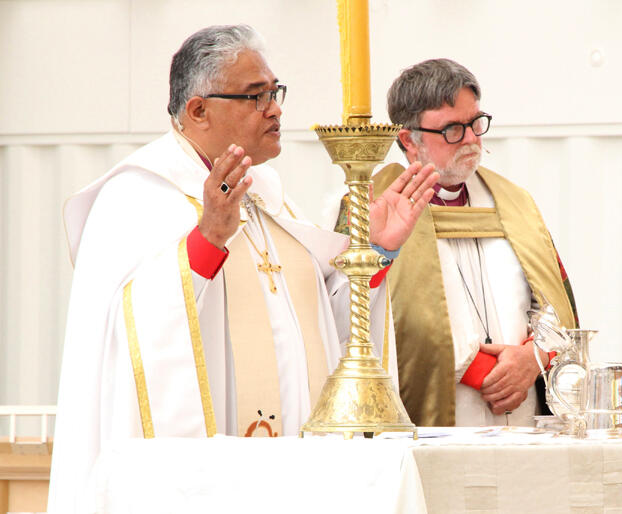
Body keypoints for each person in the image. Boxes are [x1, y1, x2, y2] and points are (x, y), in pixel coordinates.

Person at [48, 25, 438, 512]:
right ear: (198, 110)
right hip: (208, 485)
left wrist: (373, 256)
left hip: (293, 478)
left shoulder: (267, 196)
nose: (275, 108)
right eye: (256, 96)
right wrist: (207, 239)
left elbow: (323, 321)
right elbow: (129, 343)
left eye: (275, 93)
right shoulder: (135, 197)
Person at [352, 58, 579, 427]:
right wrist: (484, 373)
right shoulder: (373, 206)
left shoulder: (514, 202)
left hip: (524, 419)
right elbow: (356, 313)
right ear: (409, 139)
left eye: (475, 123)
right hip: (438, 419)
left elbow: (555, 300)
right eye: (453, 129)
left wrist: (534, 358)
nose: (472, 139)